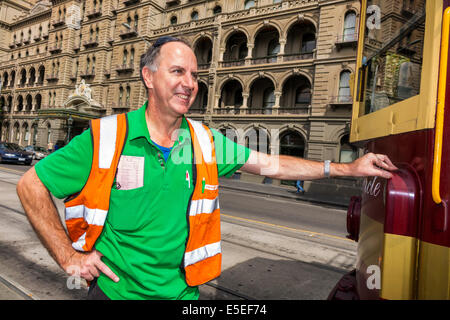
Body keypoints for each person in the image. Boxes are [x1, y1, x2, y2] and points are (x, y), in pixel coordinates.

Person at [16, 36, 397, 300]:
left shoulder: (203, 141)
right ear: (149, 77)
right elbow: (31, 185)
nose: (190, 84)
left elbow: (272, 163)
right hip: (115, 293)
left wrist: (346, 169)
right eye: (178, 72)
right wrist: (69, 257)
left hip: (185, 293)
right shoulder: (106, 137)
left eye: (195, 76)